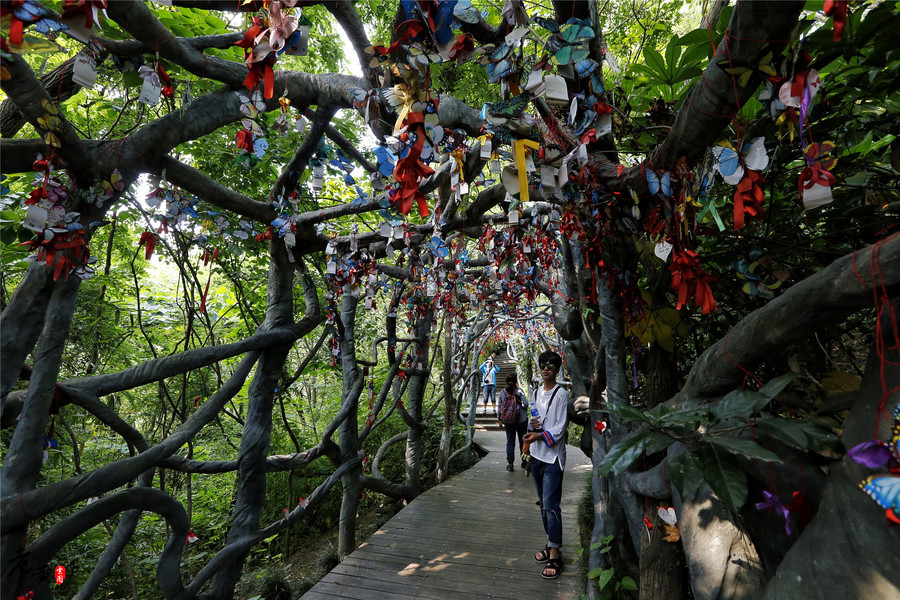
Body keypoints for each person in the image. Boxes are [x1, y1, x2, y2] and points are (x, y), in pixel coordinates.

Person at [522, 350, 569, 580]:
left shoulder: (561, 394)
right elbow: (536, 423)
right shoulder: (535, 392)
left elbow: (559, 429)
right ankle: (551, 544)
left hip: (553, 458)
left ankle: (556, 555)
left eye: (551, 364)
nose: (546, 367)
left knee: (551, 506)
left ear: (557, 369)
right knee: (543, 505)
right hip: (537, 456)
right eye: (542, 364)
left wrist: (539, 436)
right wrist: (532, 429)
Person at [497, 372, 528, 471]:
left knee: (510, 442)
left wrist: (500, 419)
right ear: (516, 381)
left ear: (506, 381)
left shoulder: (503, 393)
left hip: (508, 421)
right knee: (522, 441)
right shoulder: (519, 391)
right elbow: (526, 404)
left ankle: (510, 464)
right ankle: (524, 461)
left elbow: (499, 408)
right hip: (521, 420)